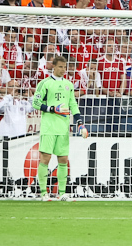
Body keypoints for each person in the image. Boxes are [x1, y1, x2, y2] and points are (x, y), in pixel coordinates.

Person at [31, 55, 89, 201]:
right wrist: (52, 108)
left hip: (63, 128)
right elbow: (35, 103)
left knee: (63, 159)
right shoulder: (45, 83)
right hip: (49, 127)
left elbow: (73, 105)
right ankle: (44, 193)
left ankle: (61, 193)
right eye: (61, 67)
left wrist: (80, 123)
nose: (64, 70)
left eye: (65, 67)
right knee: (46, 157)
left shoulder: (68, 85)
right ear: (53, 66)